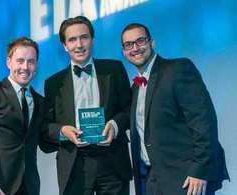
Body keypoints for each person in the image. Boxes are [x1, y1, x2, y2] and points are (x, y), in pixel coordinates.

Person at [121, 23, 230, 195]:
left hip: (187, 179)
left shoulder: (178, 69)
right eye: (128, 45)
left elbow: (203, 121)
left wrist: (199, 170)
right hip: (151, 181)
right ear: (124, 51)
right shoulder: (135, 88)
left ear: (152, 43)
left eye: (140, 41)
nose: (135, 48)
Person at [44, 16, 132, 195]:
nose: (79, 44)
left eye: (84, 37)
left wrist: (115, 126)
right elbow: (45, 126)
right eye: (72, 39)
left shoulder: (114, 69)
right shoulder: (53, 83)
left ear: (92, 39)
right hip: (75, 164)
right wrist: (63, 132)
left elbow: (130, 109)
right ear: (64, 45)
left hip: (112, 161)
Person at [0, 37, 56, 195]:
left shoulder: (40, 102)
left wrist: (68, 132)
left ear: (36, 65)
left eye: (31, 61)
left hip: (29, 188)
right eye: (20, 61)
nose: (25, 67)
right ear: (9, 62)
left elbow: (45, 142)